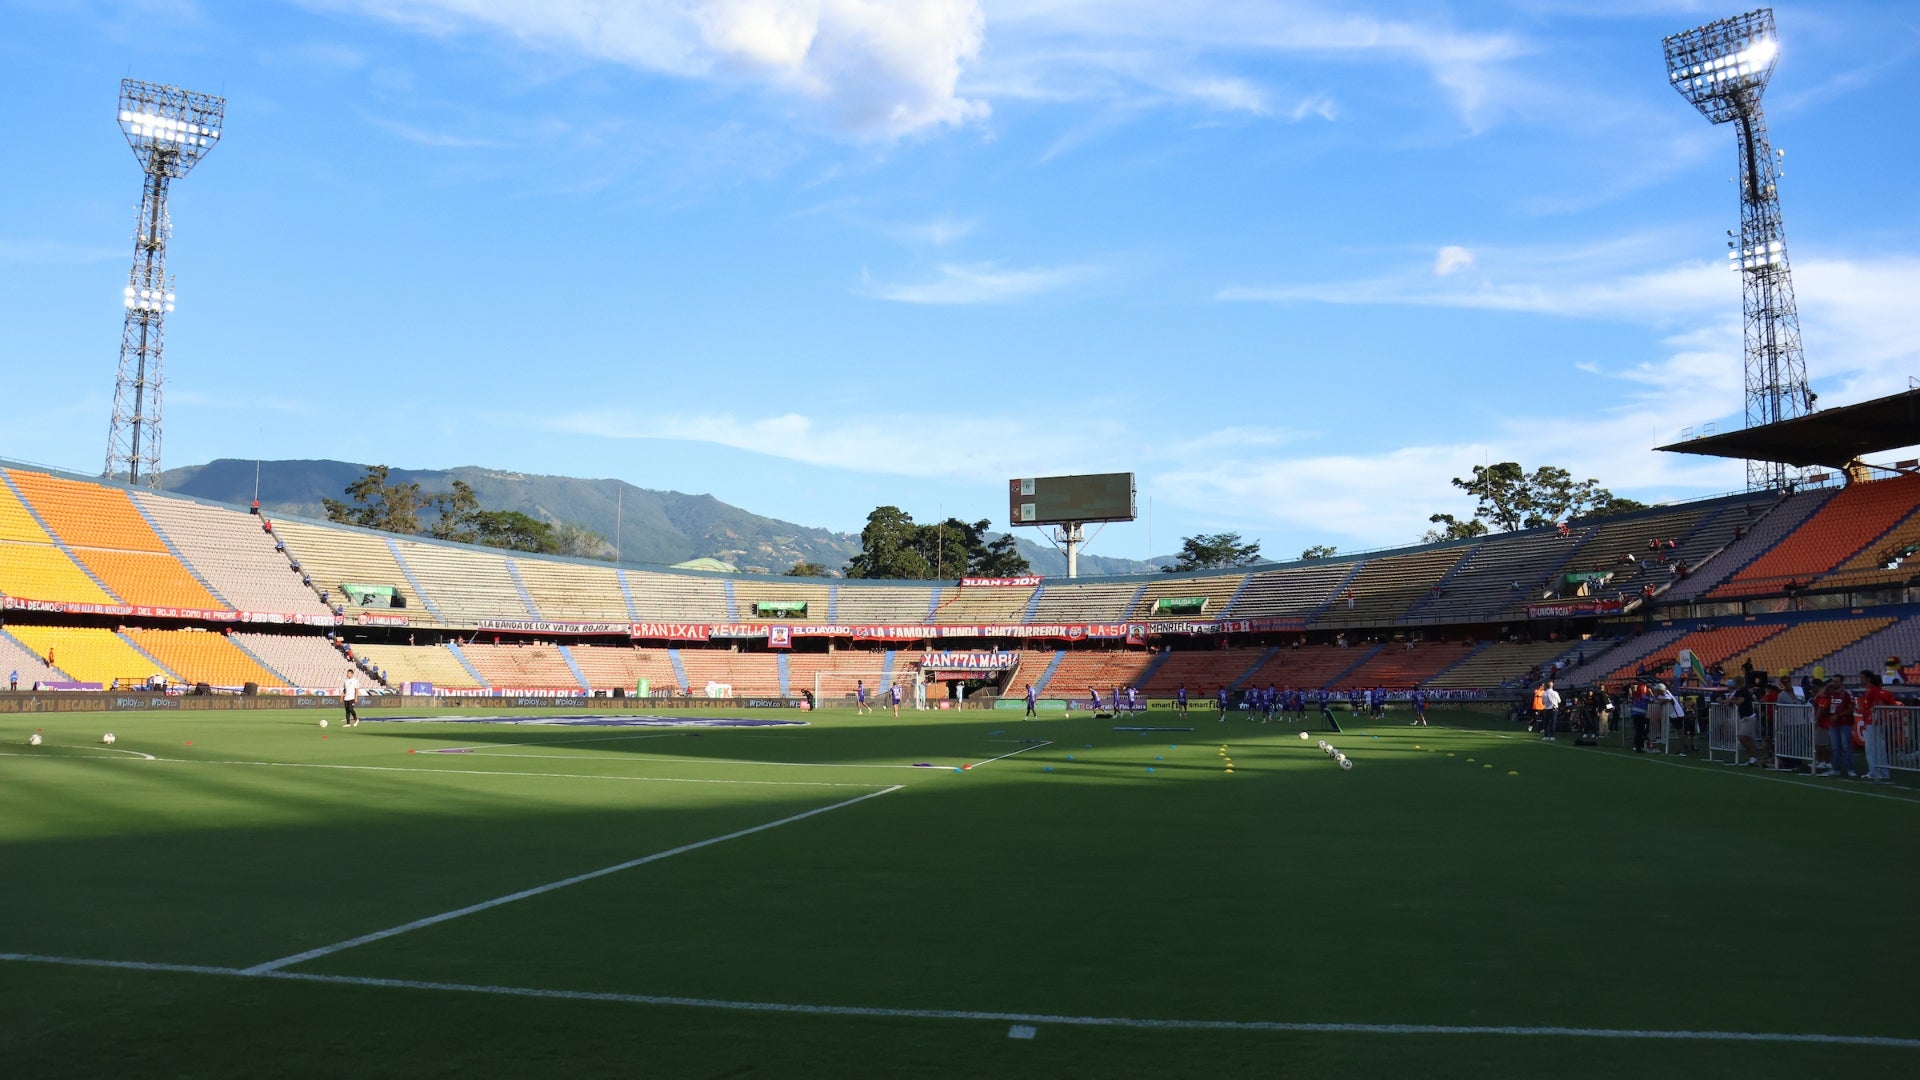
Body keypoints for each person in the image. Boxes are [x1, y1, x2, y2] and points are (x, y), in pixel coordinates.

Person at [1857, 671, 1898, 783]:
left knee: (1872, 748)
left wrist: (1880, 718)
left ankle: (1875, 771)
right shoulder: (1870, 690)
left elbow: (1879, 703)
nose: (1860, 679)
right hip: (1872, 722)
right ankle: (1881, 772)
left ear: (1868, 678)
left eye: (1862, 677)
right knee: (1878, 747)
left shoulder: (1872, 690)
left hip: (1873, 722)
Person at [1812, 676, 1854, 778]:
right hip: (1834, 724)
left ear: (1842, 682)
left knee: (1846, 747)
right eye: (1833, 681)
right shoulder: (1831, 693)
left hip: (1844, 723)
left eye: (1837, 681)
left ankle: (1850, 769)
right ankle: (1836, 769)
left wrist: (1838, 715)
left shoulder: (1846, 693)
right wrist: (1827, 685)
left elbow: (1851, 708)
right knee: (1835, 748)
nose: (1834, 683)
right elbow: (1819, 694)